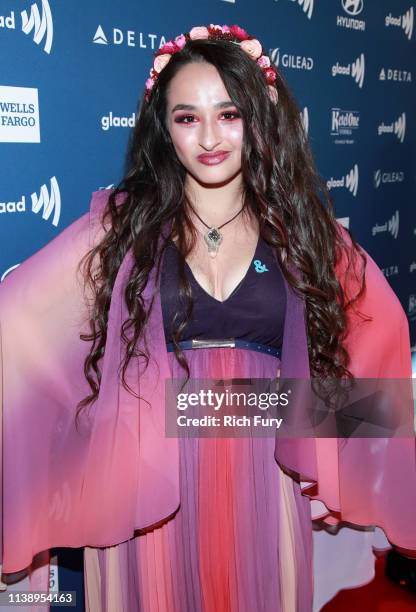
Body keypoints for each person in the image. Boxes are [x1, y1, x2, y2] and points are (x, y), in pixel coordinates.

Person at [0, 23, 415, 612]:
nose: (210, 137)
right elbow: (19, 323)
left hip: (263, 478)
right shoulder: (123, 227)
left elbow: (380, 341)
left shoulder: (302, 231)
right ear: (164, 132)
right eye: (187, 118)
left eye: (229, 113)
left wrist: (341, 457)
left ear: (258, 117)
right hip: (148, 481)